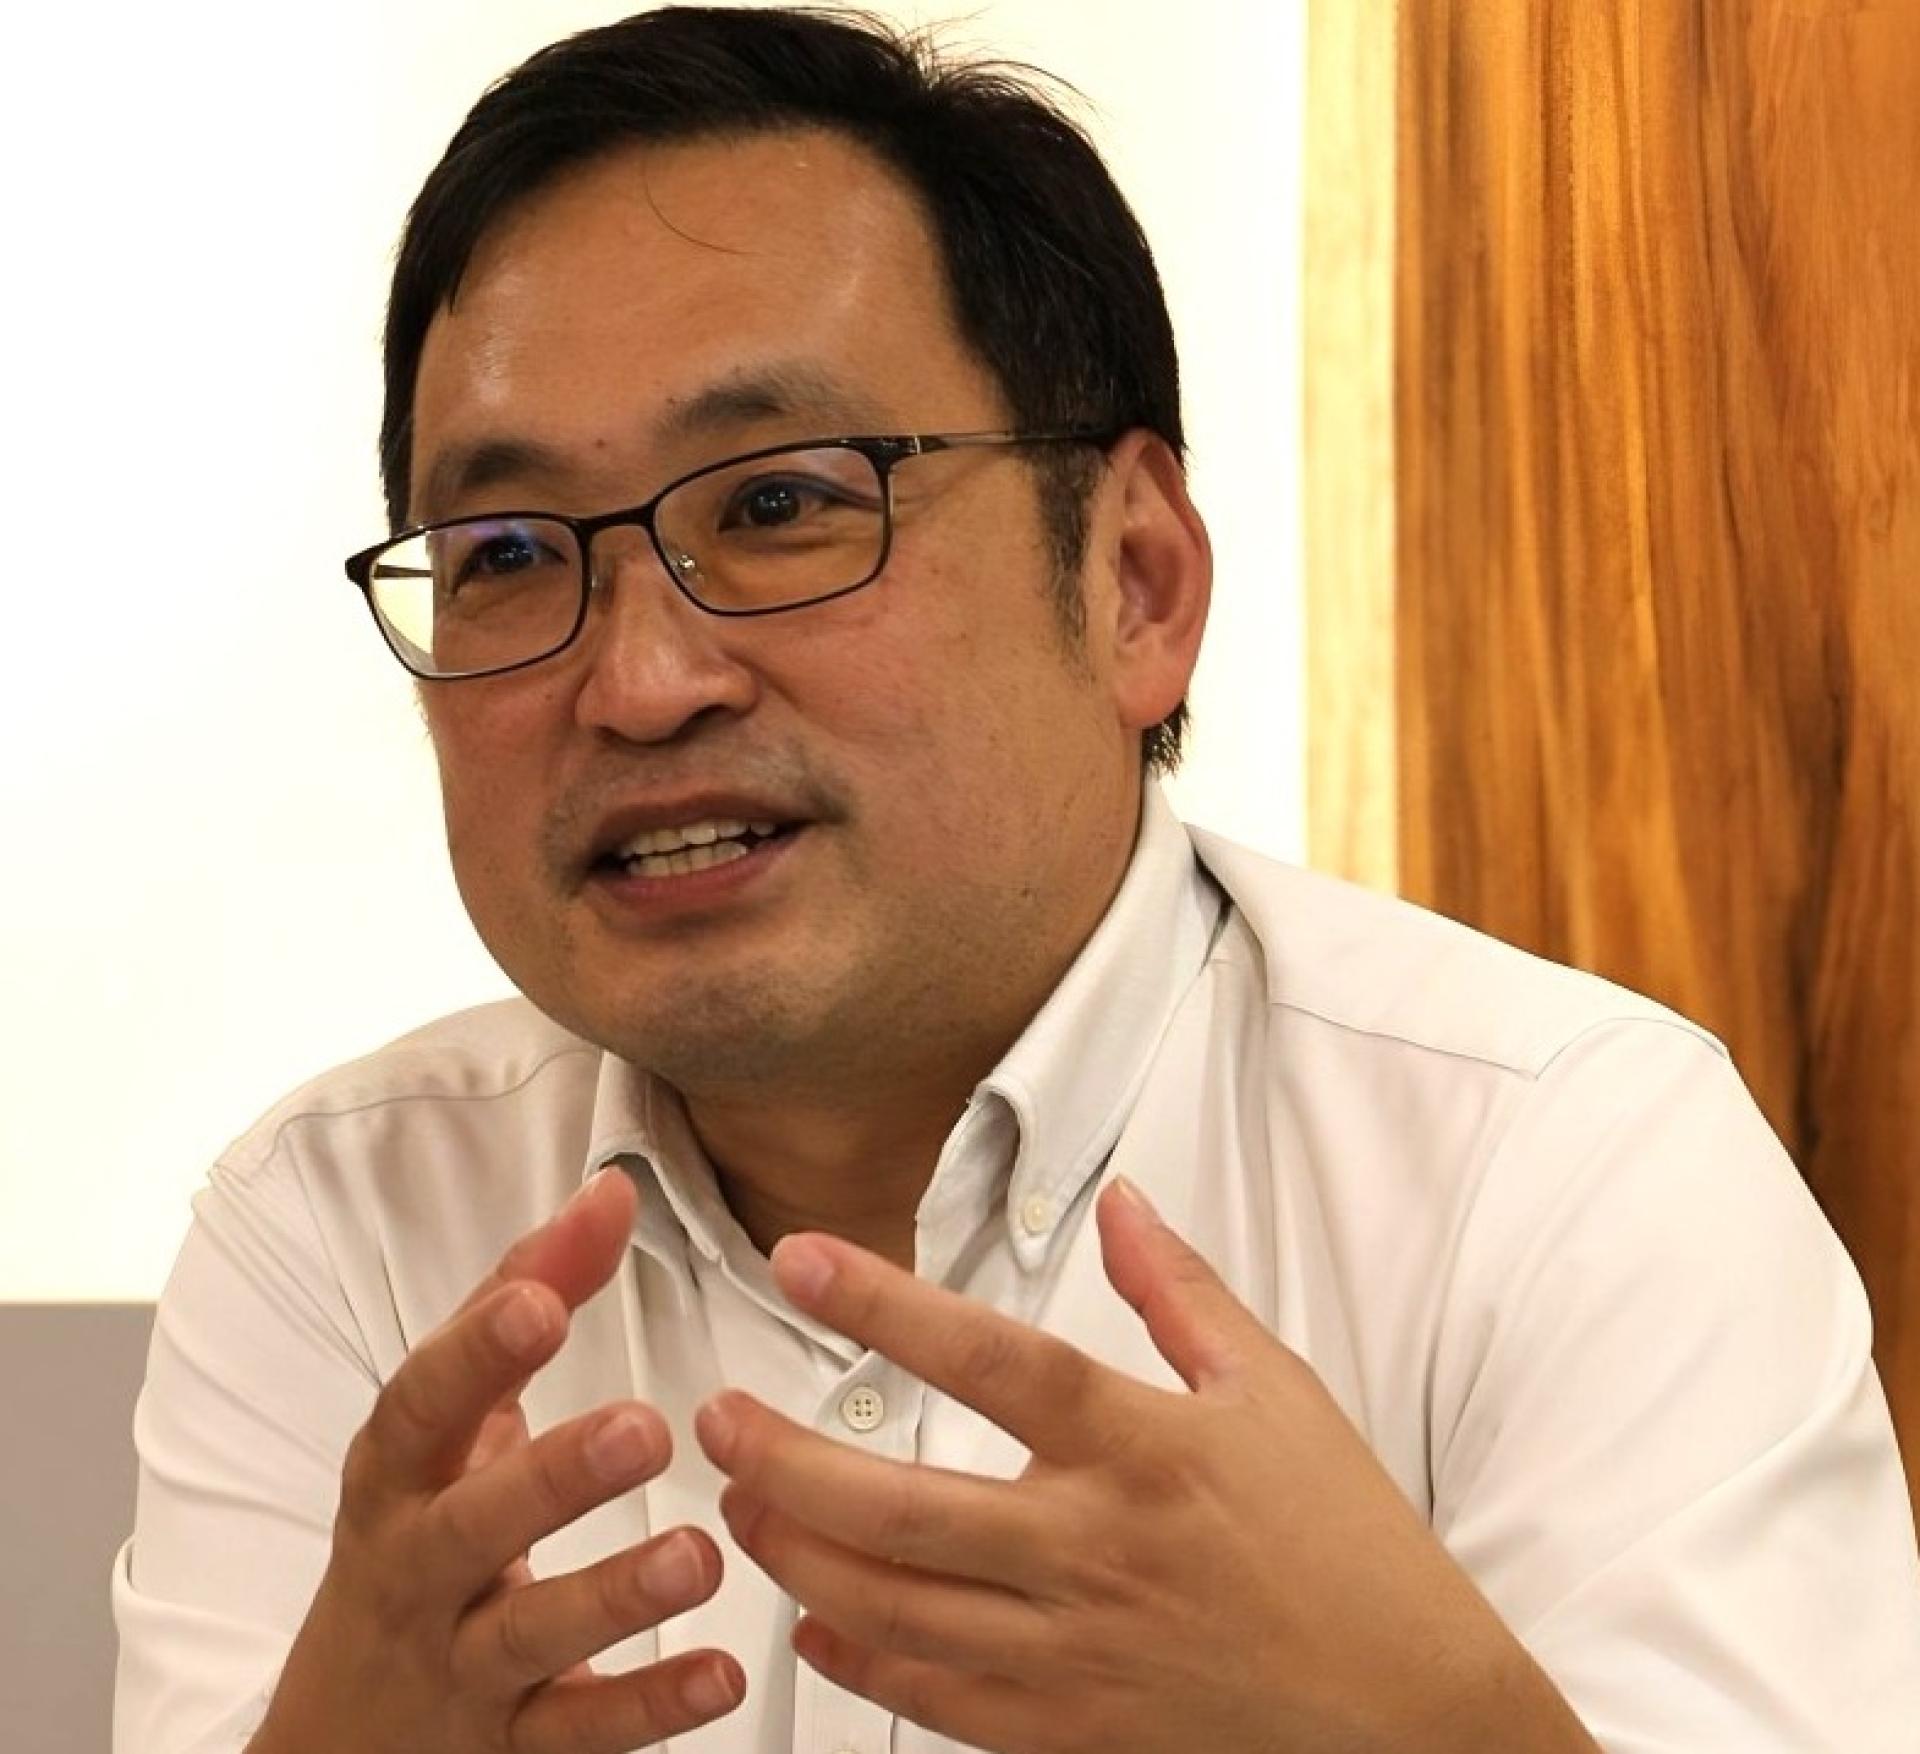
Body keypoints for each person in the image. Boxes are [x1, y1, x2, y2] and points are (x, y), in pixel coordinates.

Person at [113, 8, 1920, 1752]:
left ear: (1136, 581)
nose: (643, 682)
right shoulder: (341, 1233)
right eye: (507, 550)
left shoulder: (1564, 1169)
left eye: (777, 505)